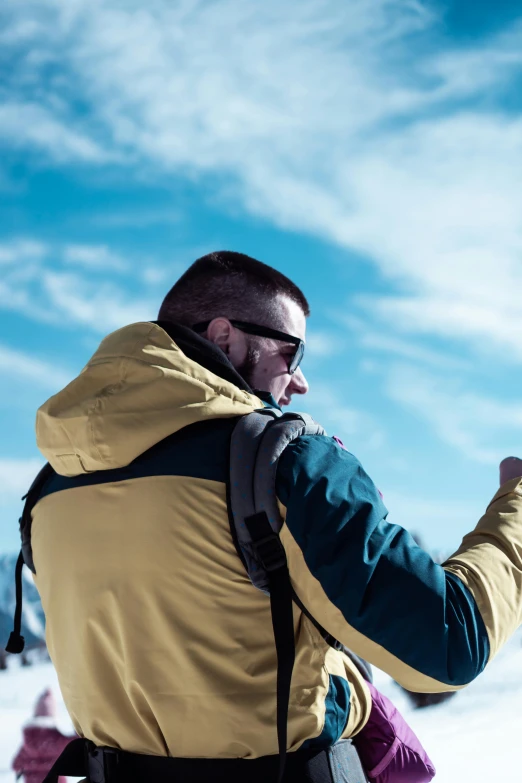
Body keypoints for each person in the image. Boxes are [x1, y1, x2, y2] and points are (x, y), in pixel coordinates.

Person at [29, 252, 522, 782]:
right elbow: (449, 643)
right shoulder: (283, 459)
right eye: (293, 353)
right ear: (224, 338)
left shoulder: (57, 481)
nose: (301, 382)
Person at [12, 688, 74, 783]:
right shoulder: (58, 739)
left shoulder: (29, 740)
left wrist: (20, 770)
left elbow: (16, 764)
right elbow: (75, 741)